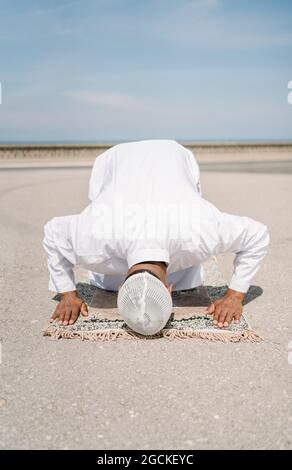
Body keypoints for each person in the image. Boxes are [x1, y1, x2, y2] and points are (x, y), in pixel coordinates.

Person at [43, 139, 269, 335]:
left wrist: (235, 297)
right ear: (169, 289)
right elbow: (52, 233)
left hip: (172, 156)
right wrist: (67, 294)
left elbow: (257, 235)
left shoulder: (199, 230)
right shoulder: (96, 235)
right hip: (119, 171)